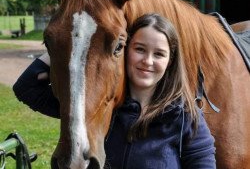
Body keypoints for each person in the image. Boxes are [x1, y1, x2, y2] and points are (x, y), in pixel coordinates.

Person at [13, 13, 216, 168]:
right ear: (123, 49)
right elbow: (26, 88)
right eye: (140, 49)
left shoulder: (186, 119)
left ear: (170, 61)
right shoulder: (100, 107)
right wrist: (71, 42)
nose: (148, 61)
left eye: (159, 54)